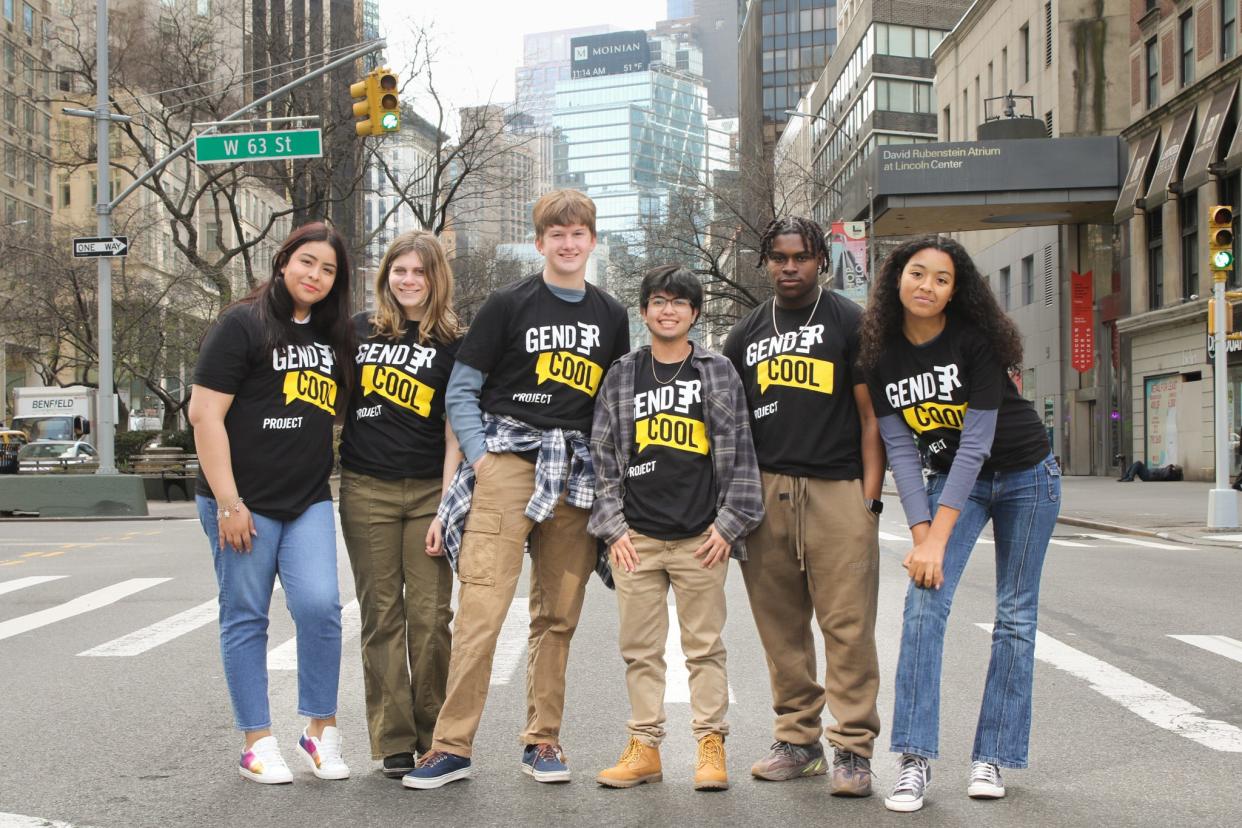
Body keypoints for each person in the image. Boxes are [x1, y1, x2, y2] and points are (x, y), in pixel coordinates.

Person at [403, 189, 630, 789]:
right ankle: (451, 747)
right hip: (509, 459)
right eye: (556, 233)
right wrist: (482, 460)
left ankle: (543, 741)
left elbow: (612, 404)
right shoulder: (508, 304)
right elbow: (462, 390)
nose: (568, 242)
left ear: (592, 241)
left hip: (574, 472)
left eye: (578, 232)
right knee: (481, 610)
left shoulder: (611, 314)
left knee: (557, 616)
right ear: (540, 243)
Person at [858, 237, 1060, 813]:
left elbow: (975, 445)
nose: (927, 286)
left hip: (1025, 474)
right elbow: (900, 447)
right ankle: (913, 760)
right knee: (923, 605)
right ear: (896, 278)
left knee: (1015, 617)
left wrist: (937, 540)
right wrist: (921, 535)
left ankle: (991, 755)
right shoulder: (878, 355)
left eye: (941, 279)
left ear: (955, 290)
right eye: (917, 274)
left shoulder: (976, 343)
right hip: (951, 483)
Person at [722, 216, 885, 796]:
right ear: (766, 262)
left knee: (847, 627)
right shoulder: (743, 334)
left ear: (822, 260)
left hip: (837, 489)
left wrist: (868, 502)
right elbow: (731, 428)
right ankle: (797, 741)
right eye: (780, 258)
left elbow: (872, 419)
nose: (790, 267)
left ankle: (854, 750)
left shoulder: (850, 320)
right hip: (767, 491)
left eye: (802, 257)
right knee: (780, 627)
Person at [188, 222, 355, 784]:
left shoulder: (333, 337)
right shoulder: (242, 323)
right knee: (246, 617)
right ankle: (256, 741)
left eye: (328, 269)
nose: (316, 275)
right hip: (243, 502)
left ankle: (320, 730)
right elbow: (204, 414)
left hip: (307, 498)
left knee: (320, 609)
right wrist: (229, 502)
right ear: (284, 262)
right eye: (307, 262)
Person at [588, 265, 764, 792]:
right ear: (643, 312)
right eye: (658, 301)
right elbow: (600, 455)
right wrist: (612, 528)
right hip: (636, 538)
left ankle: (710, 746)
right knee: (640, 650)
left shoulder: (717, 371)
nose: (668, 310)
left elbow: (740, 454)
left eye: (679, 302)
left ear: (694, 313)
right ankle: (645, 748)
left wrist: (729, 527)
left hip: (700, 538)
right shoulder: (622, 373)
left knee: (704, 647)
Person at [337, 230, 462, 778]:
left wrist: (447, 506)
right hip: (366, 487)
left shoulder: (456, 340)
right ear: (386, 274)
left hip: (430, 491)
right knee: (381, 615)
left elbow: (458, 428)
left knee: (432, 618)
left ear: (436, 279)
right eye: (399, 270)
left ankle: (437, 735)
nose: (408, 281)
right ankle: (392, 738)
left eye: (419, 272)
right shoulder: (357, 332)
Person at [1118, 460, 1183, 482]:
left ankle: (1129, 477)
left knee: (1138, 463)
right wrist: (1170, 467)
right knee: (1136, 464)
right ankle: (1126, 476)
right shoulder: (1169, 471)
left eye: (1175, 467)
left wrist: (1170, 467)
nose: (1174, 466)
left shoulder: (1169, 473)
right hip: (1149, 473)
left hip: (1149, 475)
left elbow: (1166, 475)